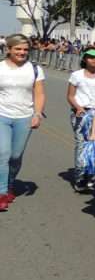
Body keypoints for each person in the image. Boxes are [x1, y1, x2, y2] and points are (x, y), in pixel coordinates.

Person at [0, 34, 46, 212]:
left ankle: (10, 184)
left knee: (15, 156)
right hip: (2, 115)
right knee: (3, 153)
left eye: (25, 49)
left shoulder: (34, 69)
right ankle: (2, 193)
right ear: (9, 49)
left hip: (24, 117)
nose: (22, 52)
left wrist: (37, 114)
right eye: (18, 49)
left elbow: (39, 93)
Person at [67, 48, 95, 193]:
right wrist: (78, 108)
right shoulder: (76, 75)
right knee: (82, 145)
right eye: (92, 57)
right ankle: (80, 176)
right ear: (85, 59)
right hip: (82, 114)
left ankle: (93, 176)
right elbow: (70, 96)